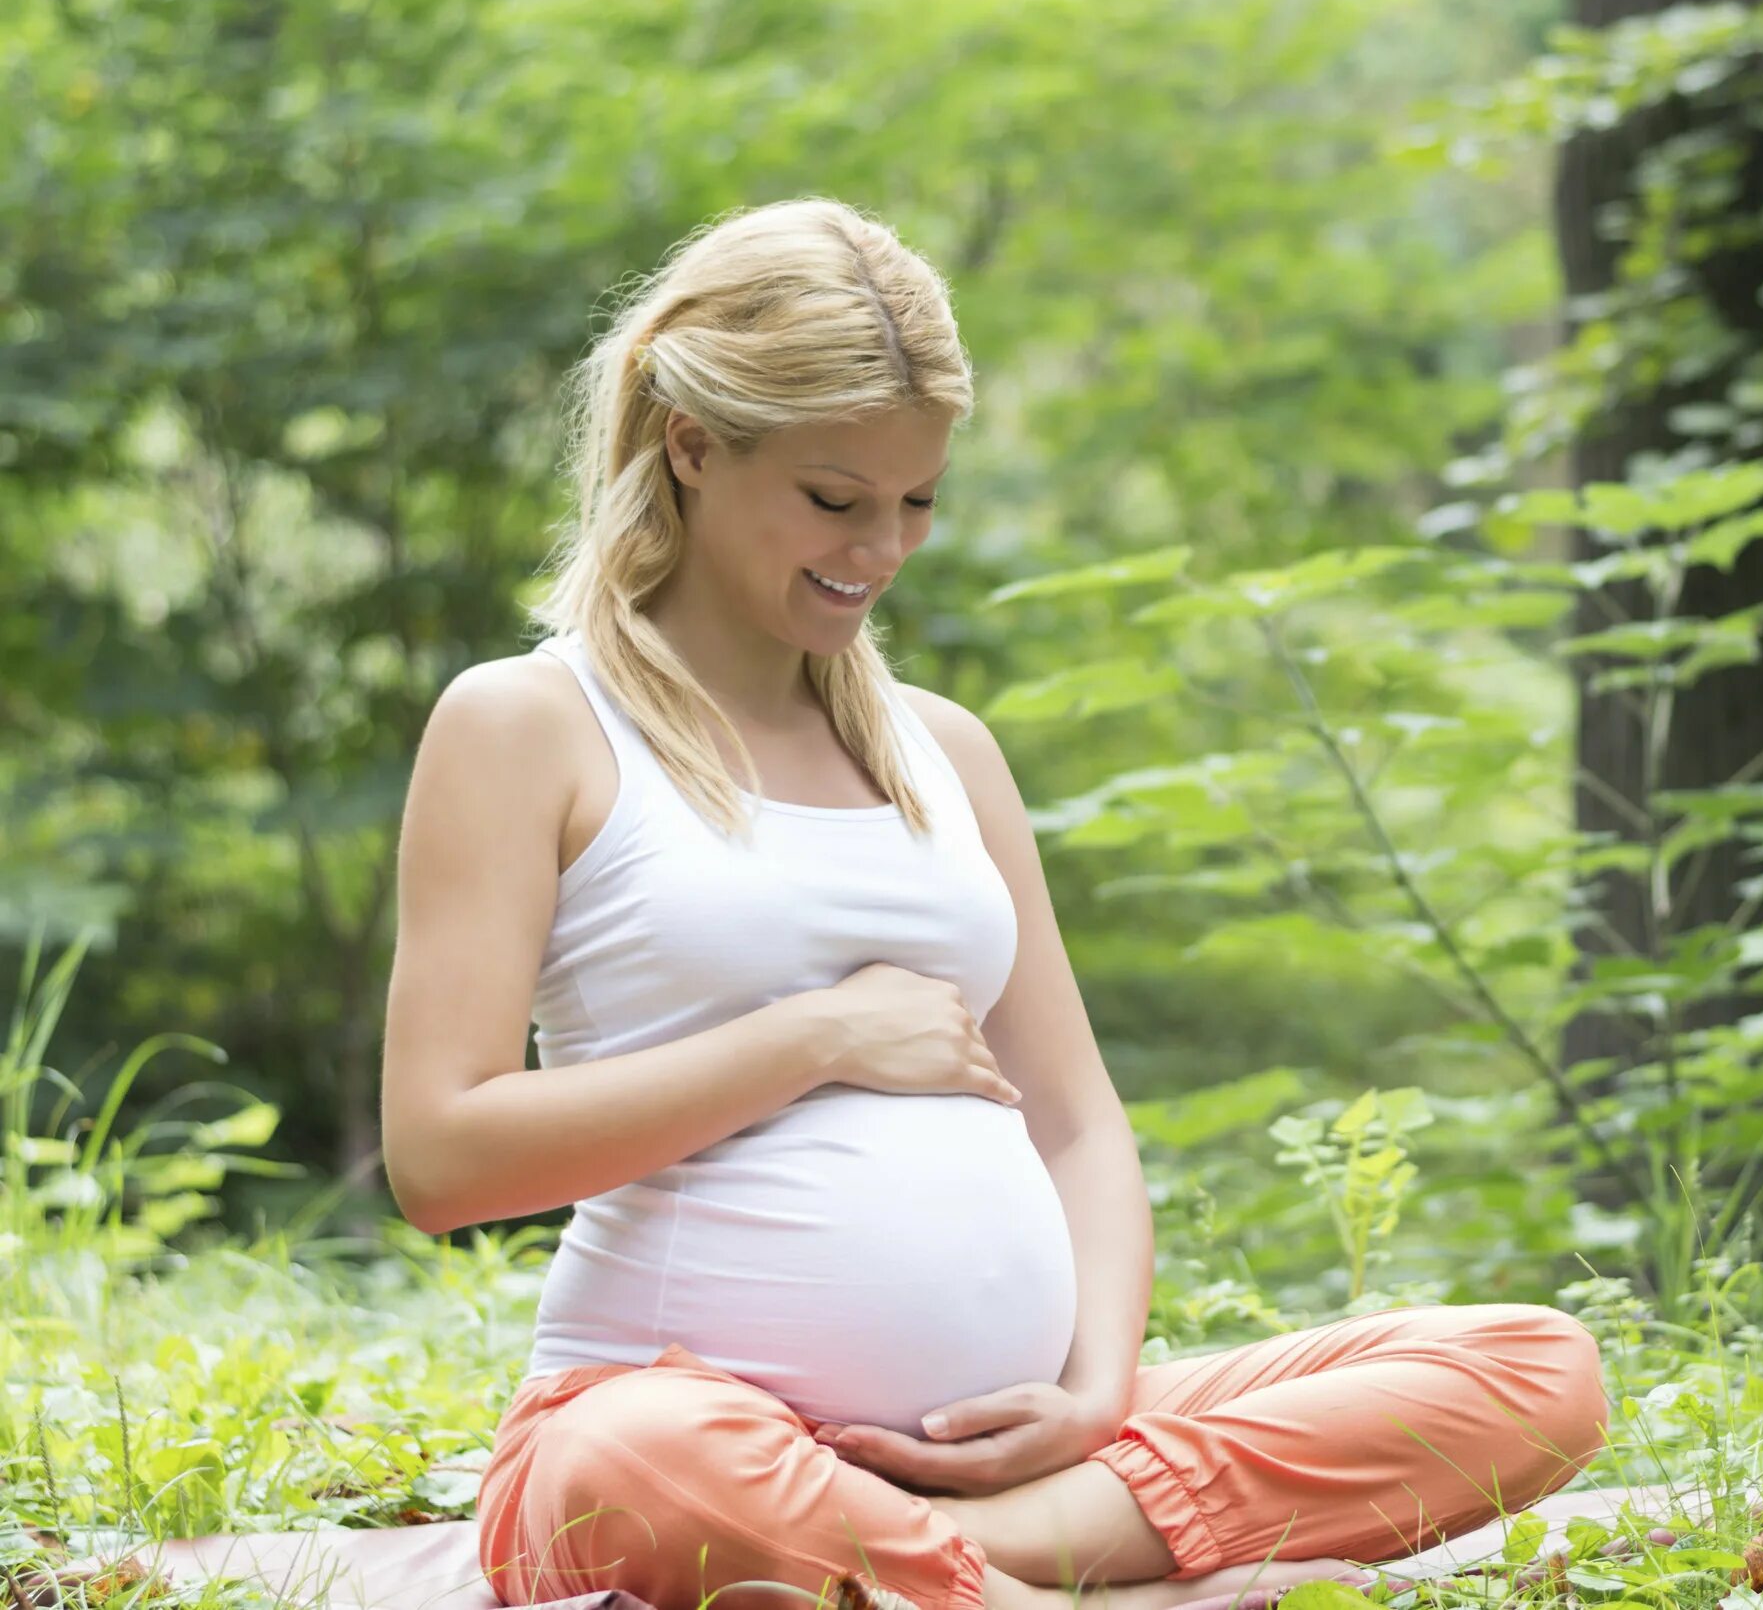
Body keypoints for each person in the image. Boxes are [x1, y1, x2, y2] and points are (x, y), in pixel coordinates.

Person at [376, 197, 1612, 1610]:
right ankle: (1020, 1564)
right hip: (674, 1429)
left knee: (1531, 1369)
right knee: (636, 1464)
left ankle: (970, 1561)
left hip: (1024, 1453)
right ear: (694, 446)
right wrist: (817, 1037)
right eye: (836, 500)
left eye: (917, 502)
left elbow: (1078, 1119)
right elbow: (442, 1153)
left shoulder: (943, 749)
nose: (882, 549)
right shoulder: (531, 724)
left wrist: (1092, 1389)